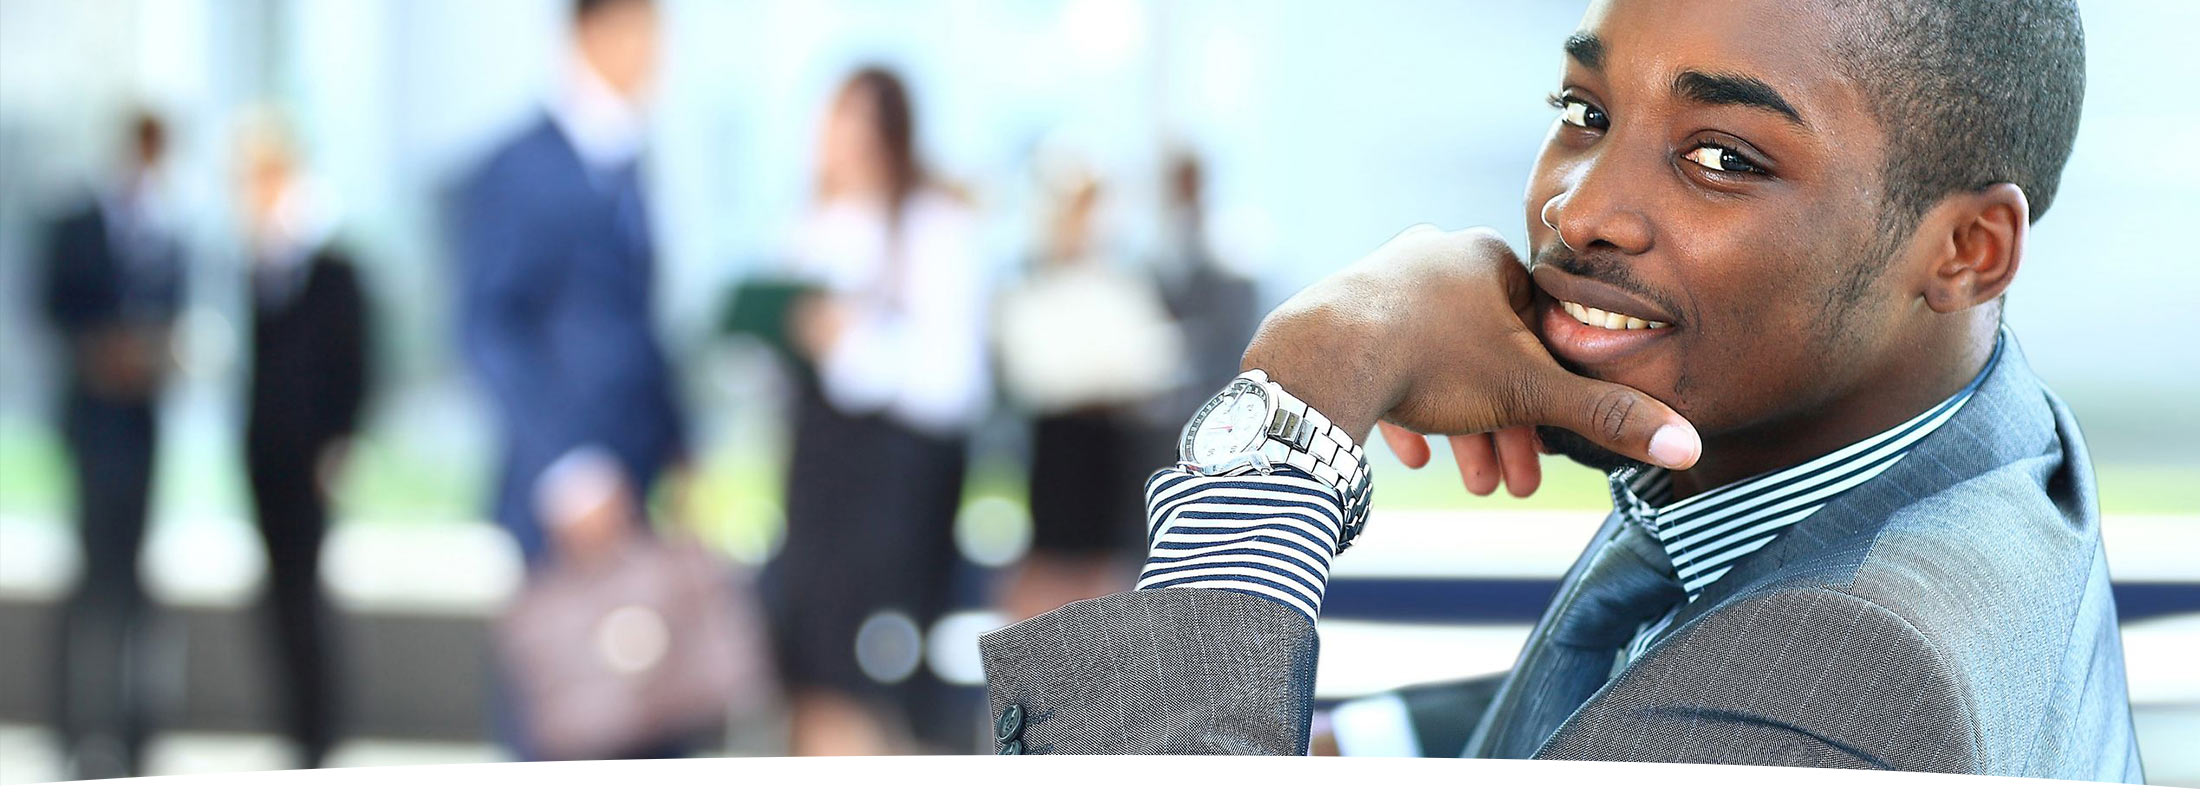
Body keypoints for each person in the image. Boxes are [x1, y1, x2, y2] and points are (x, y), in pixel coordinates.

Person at [978, 0, 2143, 780]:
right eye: (1585, 113)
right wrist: (1360, 743)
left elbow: (1751, 698)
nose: (1578, 207)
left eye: (1722, 156)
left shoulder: (1839, 678)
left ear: (1967, 252)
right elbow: (1656, 670)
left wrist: (1302, 391)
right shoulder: (1976, 441)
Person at [452, 0, 687, 758]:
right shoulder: (520, 167)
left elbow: (637, 322)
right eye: (643, 29)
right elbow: (488, 325)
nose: (656, 51)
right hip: (564, 499)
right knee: (560, 721)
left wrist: (680, 445)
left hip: (639, 485)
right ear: (592, 30)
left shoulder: (628, 159)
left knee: (644, 719)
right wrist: (570, 467)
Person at [770, 66, 990, 755]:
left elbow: (954, 382)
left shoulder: (934, 226)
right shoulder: (811, 225)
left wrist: (854, 342)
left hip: (891, 501)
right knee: (810, 684)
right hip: (816, 489)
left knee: (866, 688)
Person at [40, 111, 186, 780]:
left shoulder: (169, 236)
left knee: (134, 584)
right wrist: (101, 351)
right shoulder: (76, 225)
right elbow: (51, 309)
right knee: (89, 583)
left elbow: (176, 320)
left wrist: (155, 355)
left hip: (142, 426)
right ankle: (73, 732)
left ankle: (134, 738)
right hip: (92, 425)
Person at [235, 113, 371, 769]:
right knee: (279, 596)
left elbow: (356, 359)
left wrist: (343, 441)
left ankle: (319, 734)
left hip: (312, 453)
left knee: (307, 595)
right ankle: (296, 730)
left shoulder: (329, 263)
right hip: (263, 451)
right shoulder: (252, 261)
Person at [994, 157, 1184, 621]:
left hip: (1114, 442)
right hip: (1063, 441)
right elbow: (1042, 371)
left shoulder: (1120, 281)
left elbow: (1150, 363)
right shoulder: (1030, 285)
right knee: (1052, 567)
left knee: (1106, 574)